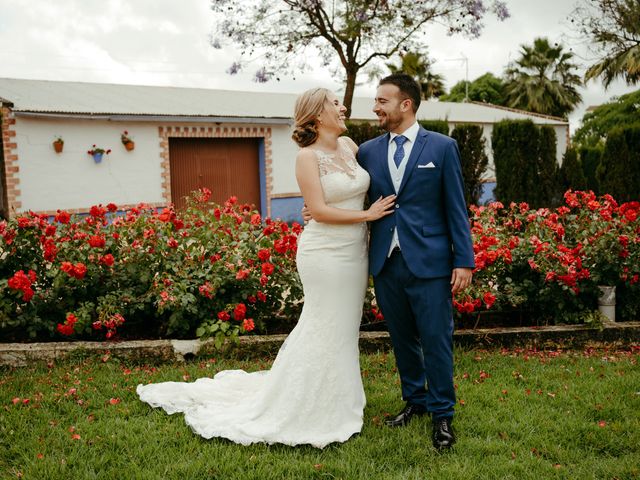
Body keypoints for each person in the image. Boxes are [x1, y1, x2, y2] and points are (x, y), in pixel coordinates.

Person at [136, 87, 395, 448]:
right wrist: (366, 215)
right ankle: (307, 404)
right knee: (323, 322)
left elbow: (359, 187)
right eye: (335, 103)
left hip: (355, 252)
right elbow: (318, 210)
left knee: (344, 326)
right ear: (317, 115)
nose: (343, 106)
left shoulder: (351, 147)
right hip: (324, 254)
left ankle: (339, 397)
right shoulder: (307, 157)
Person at [359, 73, 475, 450]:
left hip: (430, 262)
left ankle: (443, 415)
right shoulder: (368, 151)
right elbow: (355, 202)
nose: (376, 107)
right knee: (402, 339)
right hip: (386, 262)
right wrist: (317, 211)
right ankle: (415, 401)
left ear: (405, 104)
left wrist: (464, 261)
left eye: (382, 101)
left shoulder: (441, 147)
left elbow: (455, 207)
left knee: (436, 339)